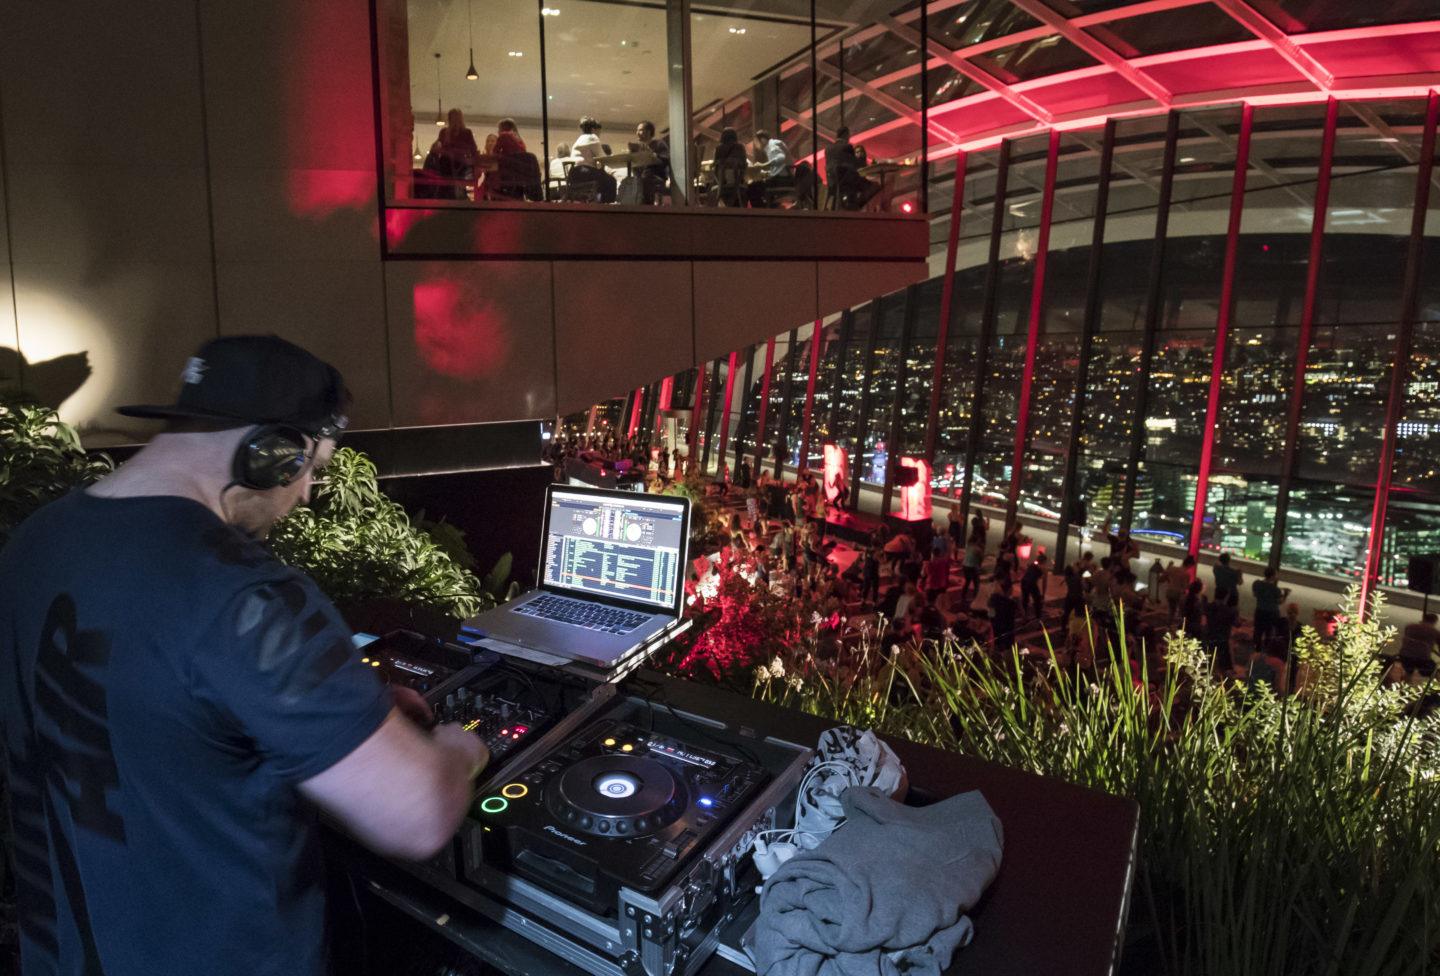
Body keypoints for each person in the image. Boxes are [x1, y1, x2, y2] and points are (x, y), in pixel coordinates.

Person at [0, 336, 488, 976]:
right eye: (314, 466)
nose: (309, 492)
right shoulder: (242, 593)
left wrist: (351, 721)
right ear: (273, 454)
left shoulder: (39, 538)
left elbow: (145, 720)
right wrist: (456, 752)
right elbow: (417, 817)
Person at [826, 127, 878, 210]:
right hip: (846, 182)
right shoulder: (847, 147)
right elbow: (854, 165)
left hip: (832, 182)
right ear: (846, 135)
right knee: (874, 186)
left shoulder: (828, 149)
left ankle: (855, 206)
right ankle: (860, 207)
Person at [570, 115, 617, 203]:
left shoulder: (579, 139)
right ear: (593, 129)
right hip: (586, 173)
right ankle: (606, 207)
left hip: (574, 174)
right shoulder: (593, 137)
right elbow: (602, 157)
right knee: (611, 181)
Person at [747, 129, 793, 207]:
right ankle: (772, 206)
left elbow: (780, 158)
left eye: (756, 142)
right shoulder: (774, 144)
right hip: (785, 178)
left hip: (781, 180)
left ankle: (760, 211)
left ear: (762, 139)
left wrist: (763, 165)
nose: (756, 146)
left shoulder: (772, 145)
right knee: (760, 184)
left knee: (753, 186)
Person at [632, 120, 670, 204]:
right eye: (637, 130)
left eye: (640, 130)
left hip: (655, 178)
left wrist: (652, 154)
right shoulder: (639, 148)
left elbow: (665, 160)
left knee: (646, 177)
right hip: (641, 180)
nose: (637, 133)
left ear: (648, 132)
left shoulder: (659, 144)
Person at [712, 127, 749, 207]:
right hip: (738, 182)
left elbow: (715, 167)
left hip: (722, 182)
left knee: (710, 187)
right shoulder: (740, 148)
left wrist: (719, 181)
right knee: (747, 189)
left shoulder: (718, 149)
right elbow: (744, 165)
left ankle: (724, 207)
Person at [1251, 568, 1288, 648]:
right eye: (1276, 574)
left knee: (1258, 631)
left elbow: (1255, 594)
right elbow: (1280, 602)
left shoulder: (1257, 584)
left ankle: (1256, 650)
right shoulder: (1276, 590)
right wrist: (1286, 594)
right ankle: (1267, 651)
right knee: (1269, 633)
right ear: (1272, 576)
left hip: (1259, 611)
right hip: (1271, 614)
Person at [989, 580, 1019, 651]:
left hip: (995, 628)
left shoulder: (993, 599)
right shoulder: (1010, 603)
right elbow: (1013, 617)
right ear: (1009, 590)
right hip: (1007, 630)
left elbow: (990, 614)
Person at [1021, 553, 1047, 621]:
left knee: (1025, 599)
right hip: (1031, 583)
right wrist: (1043, 594)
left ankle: (1024, 616)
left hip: (1024, 582)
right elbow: (1044, 582)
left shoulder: (1032, 565)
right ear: (1044, 561)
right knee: (1037, 600)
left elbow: (1027, 574)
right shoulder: (1043, 569)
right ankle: (1038, 617)